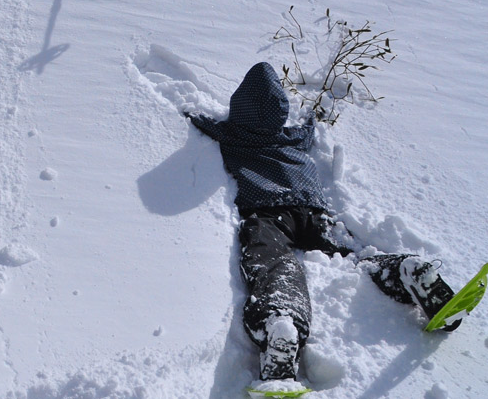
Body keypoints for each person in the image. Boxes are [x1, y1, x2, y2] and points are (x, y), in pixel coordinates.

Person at [185, 62, 463, 390]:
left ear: (239, 107)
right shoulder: (291, 137)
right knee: (355, 255)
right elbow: (307, 128)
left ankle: (281, 322)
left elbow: (200, 122)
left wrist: (190, 115)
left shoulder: (232, 136)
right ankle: (406, 271)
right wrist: (311, 117)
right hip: (314, 210)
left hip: (267, 214)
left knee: (274, 262)